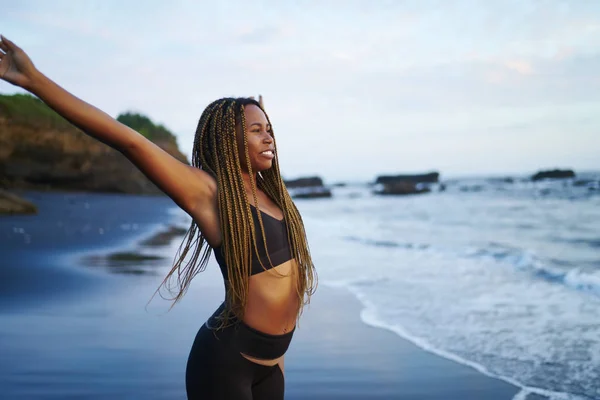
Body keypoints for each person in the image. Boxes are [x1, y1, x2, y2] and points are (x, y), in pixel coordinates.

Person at [0, 35, 317, 399]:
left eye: (271, 130)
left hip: (273, 363)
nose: (269, 139)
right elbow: (128, 140)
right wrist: (33, 80)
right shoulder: (209, 194)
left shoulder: (272, 195)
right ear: (229, 140)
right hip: (226, 363)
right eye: (257, 131)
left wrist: (257, 116)